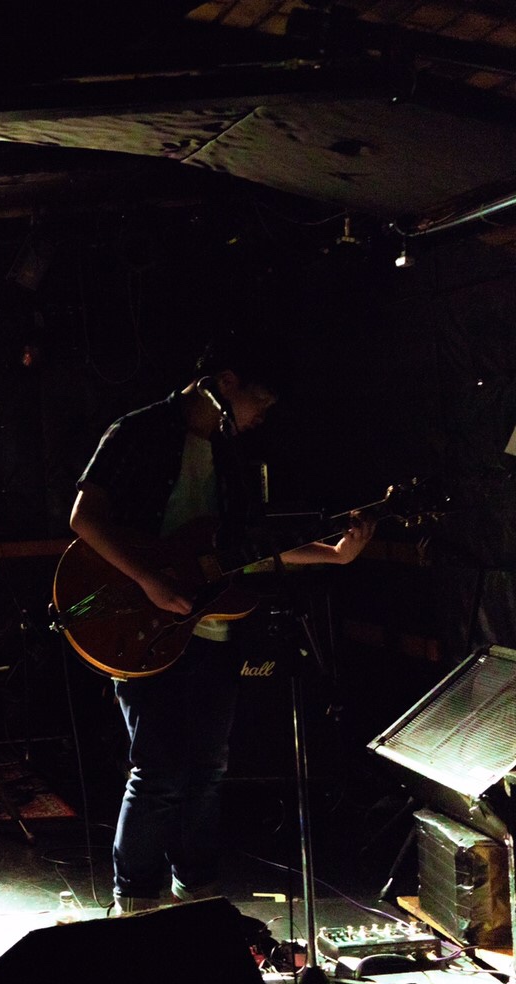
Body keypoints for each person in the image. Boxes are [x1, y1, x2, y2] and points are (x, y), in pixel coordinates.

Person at [68, 332, 375, 915]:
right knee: (158, 771)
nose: (264, 414)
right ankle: (135, 901)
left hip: (213, 630)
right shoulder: (137, 431)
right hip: (143, 625)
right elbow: (84, 519)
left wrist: (334, 555)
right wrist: (149, 580)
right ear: (226, 381)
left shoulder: (231, 454)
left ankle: (195, 892)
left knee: (207, 770)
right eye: (261, 398)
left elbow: (246, 548)